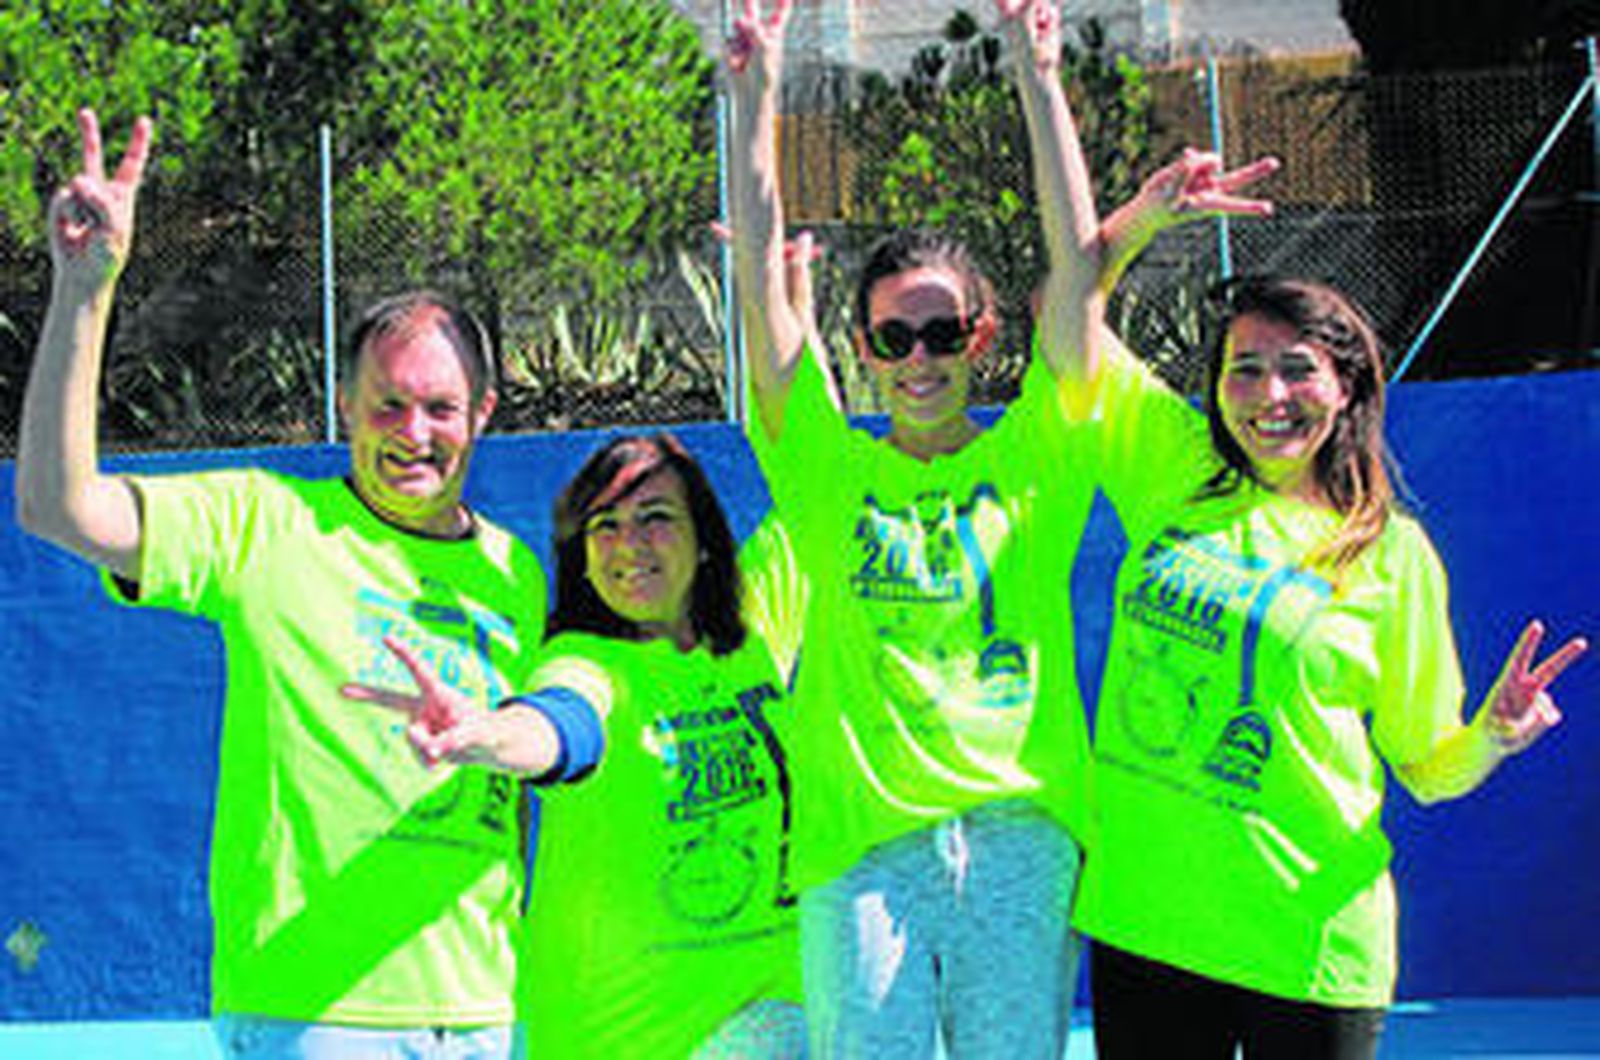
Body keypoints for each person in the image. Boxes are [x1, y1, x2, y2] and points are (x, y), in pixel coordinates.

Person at [16, 110, 548, 1059]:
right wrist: (84, 293)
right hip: (313, 1017)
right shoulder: (263, 523)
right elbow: (61, 507)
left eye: (441, 408)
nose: (413, 433)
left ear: (485, 416)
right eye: (388, 404)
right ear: (344, 405)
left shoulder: (517, 575)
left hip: (481, 1014)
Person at [1068, 161, 1590, 1058]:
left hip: (1310, 944)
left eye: (1297, 370)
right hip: (1146, 923)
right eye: (1244, 370)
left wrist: (1494, 736)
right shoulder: (1172, 469)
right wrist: (1141, 222)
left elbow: (1428, 766)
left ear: (1346, 385)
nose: (1269, 396)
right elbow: (1065, 326)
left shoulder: (1392, 556)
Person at [724, 1, 1114, 1053]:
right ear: (861, 346)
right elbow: (761, 287)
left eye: (943, 331)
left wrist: (1039, 79)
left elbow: (1078, 273)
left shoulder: (1037, 454)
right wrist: (755, 100)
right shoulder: (824, 470)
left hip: (1018, 838)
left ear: (983, 335)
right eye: (894, 336)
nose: (920, 356)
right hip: (862, 847)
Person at [344, 433, 807, 1059]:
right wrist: (484, 732)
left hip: (768, 1010)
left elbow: (811, 467)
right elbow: (559, 726)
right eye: (605, 526)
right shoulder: (586, 662)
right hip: (618, 1036)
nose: (630, 544)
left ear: (704, 541)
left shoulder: (755, 632)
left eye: (656, 518)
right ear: (582, 556)